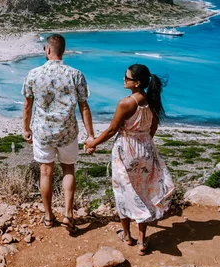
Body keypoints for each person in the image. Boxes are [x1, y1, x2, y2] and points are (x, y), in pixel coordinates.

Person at [85, 63, 174, 255]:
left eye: (127, 78)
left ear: (137, 83)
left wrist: (93, 143)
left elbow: (112, 130)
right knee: (143, 192)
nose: (123, 80)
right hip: (146, 149)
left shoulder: (126, 103)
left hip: (126, 150)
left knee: (123, 192)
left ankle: (127, 236)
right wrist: (144, 140)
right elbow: (153, 127)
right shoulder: (152, 100)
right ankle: (142, 241)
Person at [22, 33, 94, 233]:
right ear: (63, 51)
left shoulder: (33, 74)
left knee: (46, 172)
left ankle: (48, 216)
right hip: (67, 131)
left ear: (47, 50)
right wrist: (90, 135)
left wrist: (26, 129)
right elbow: (84, 107)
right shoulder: (75, 74)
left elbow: (28, 106)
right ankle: (69, 215)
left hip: (43, 131)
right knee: (68, 170)